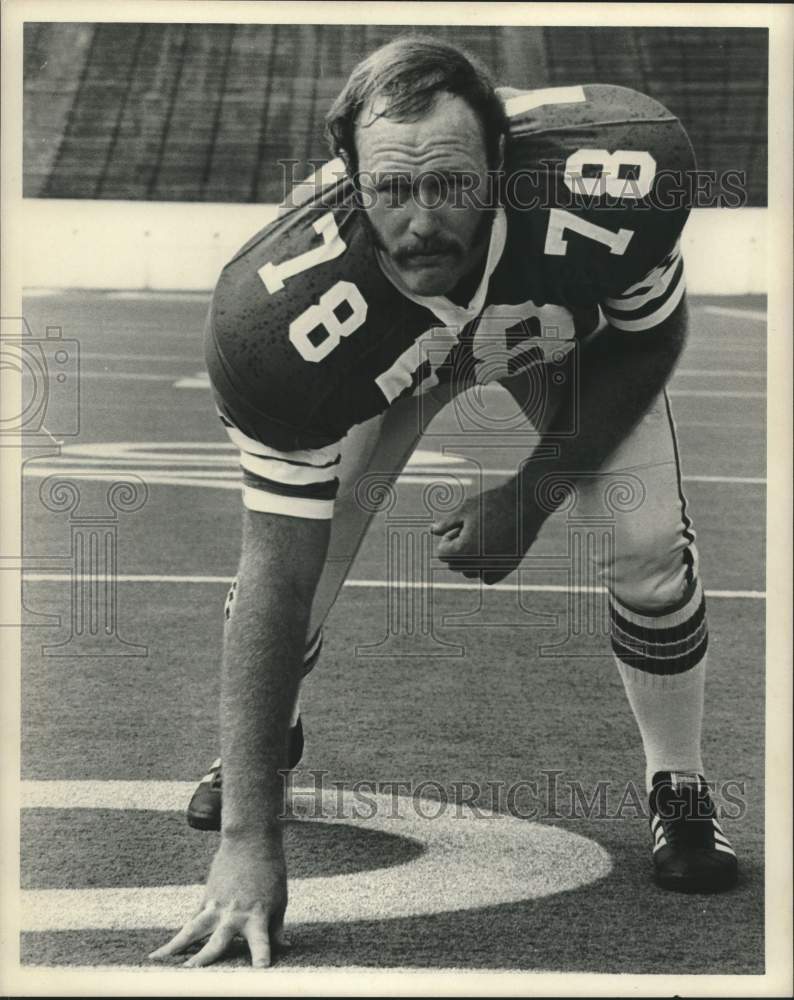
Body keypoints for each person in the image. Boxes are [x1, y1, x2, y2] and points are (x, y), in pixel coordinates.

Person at [150, 36, 738, 968]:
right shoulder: (286, 318)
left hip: (560, 341)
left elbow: (645, 341)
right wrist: (249, 845)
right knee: (320, 557)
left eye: (452, 186)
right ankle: (262, 751)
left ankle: (680, 784)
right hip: (387, 355)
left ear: (500, 164)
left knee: (649, 539)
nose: (423, 220)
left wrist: (533, 495)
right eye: (391, 189)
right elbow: (276, 566)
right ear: (347, 178)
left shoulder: (612, 178)